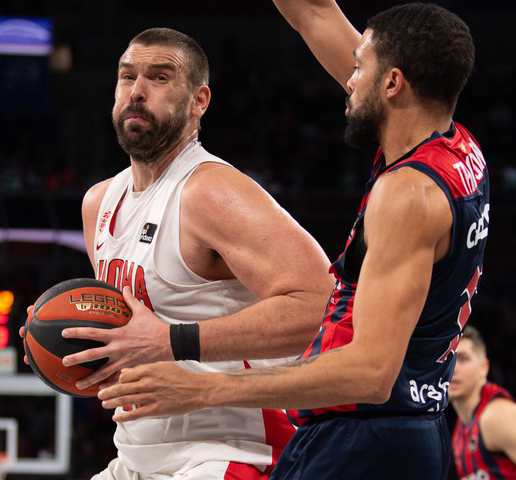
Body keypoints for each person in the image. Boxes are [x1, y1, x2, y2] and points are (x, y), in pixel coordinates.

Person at [97, 2, 490, 479]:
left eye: (360, 66)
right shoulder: (460, 151)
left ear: (392, 84)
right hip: (398, 427)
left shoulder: (407, 193)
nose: (348, 77)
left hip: (364, 436)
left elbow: (370, 374)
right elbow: (314, 13)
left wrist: (204, 389)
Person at [21, 28, 334, 479]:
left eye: (160, 78)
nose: (137, 91)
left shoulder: (212, 192)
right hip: (135, 456)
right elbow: (132, 340)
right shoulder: (98, 203)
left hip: (231, 453)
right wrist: (63, 346)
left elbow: (322, 304)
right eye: (127, 77)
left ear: (199, 100)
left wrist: (172, 340)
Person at [449, 326, 516, 479]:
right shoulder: (460, 430)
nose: (452, 369)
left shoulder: (497, 416)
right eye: (448, 359)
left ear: (483, 368)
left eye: (463, 359)